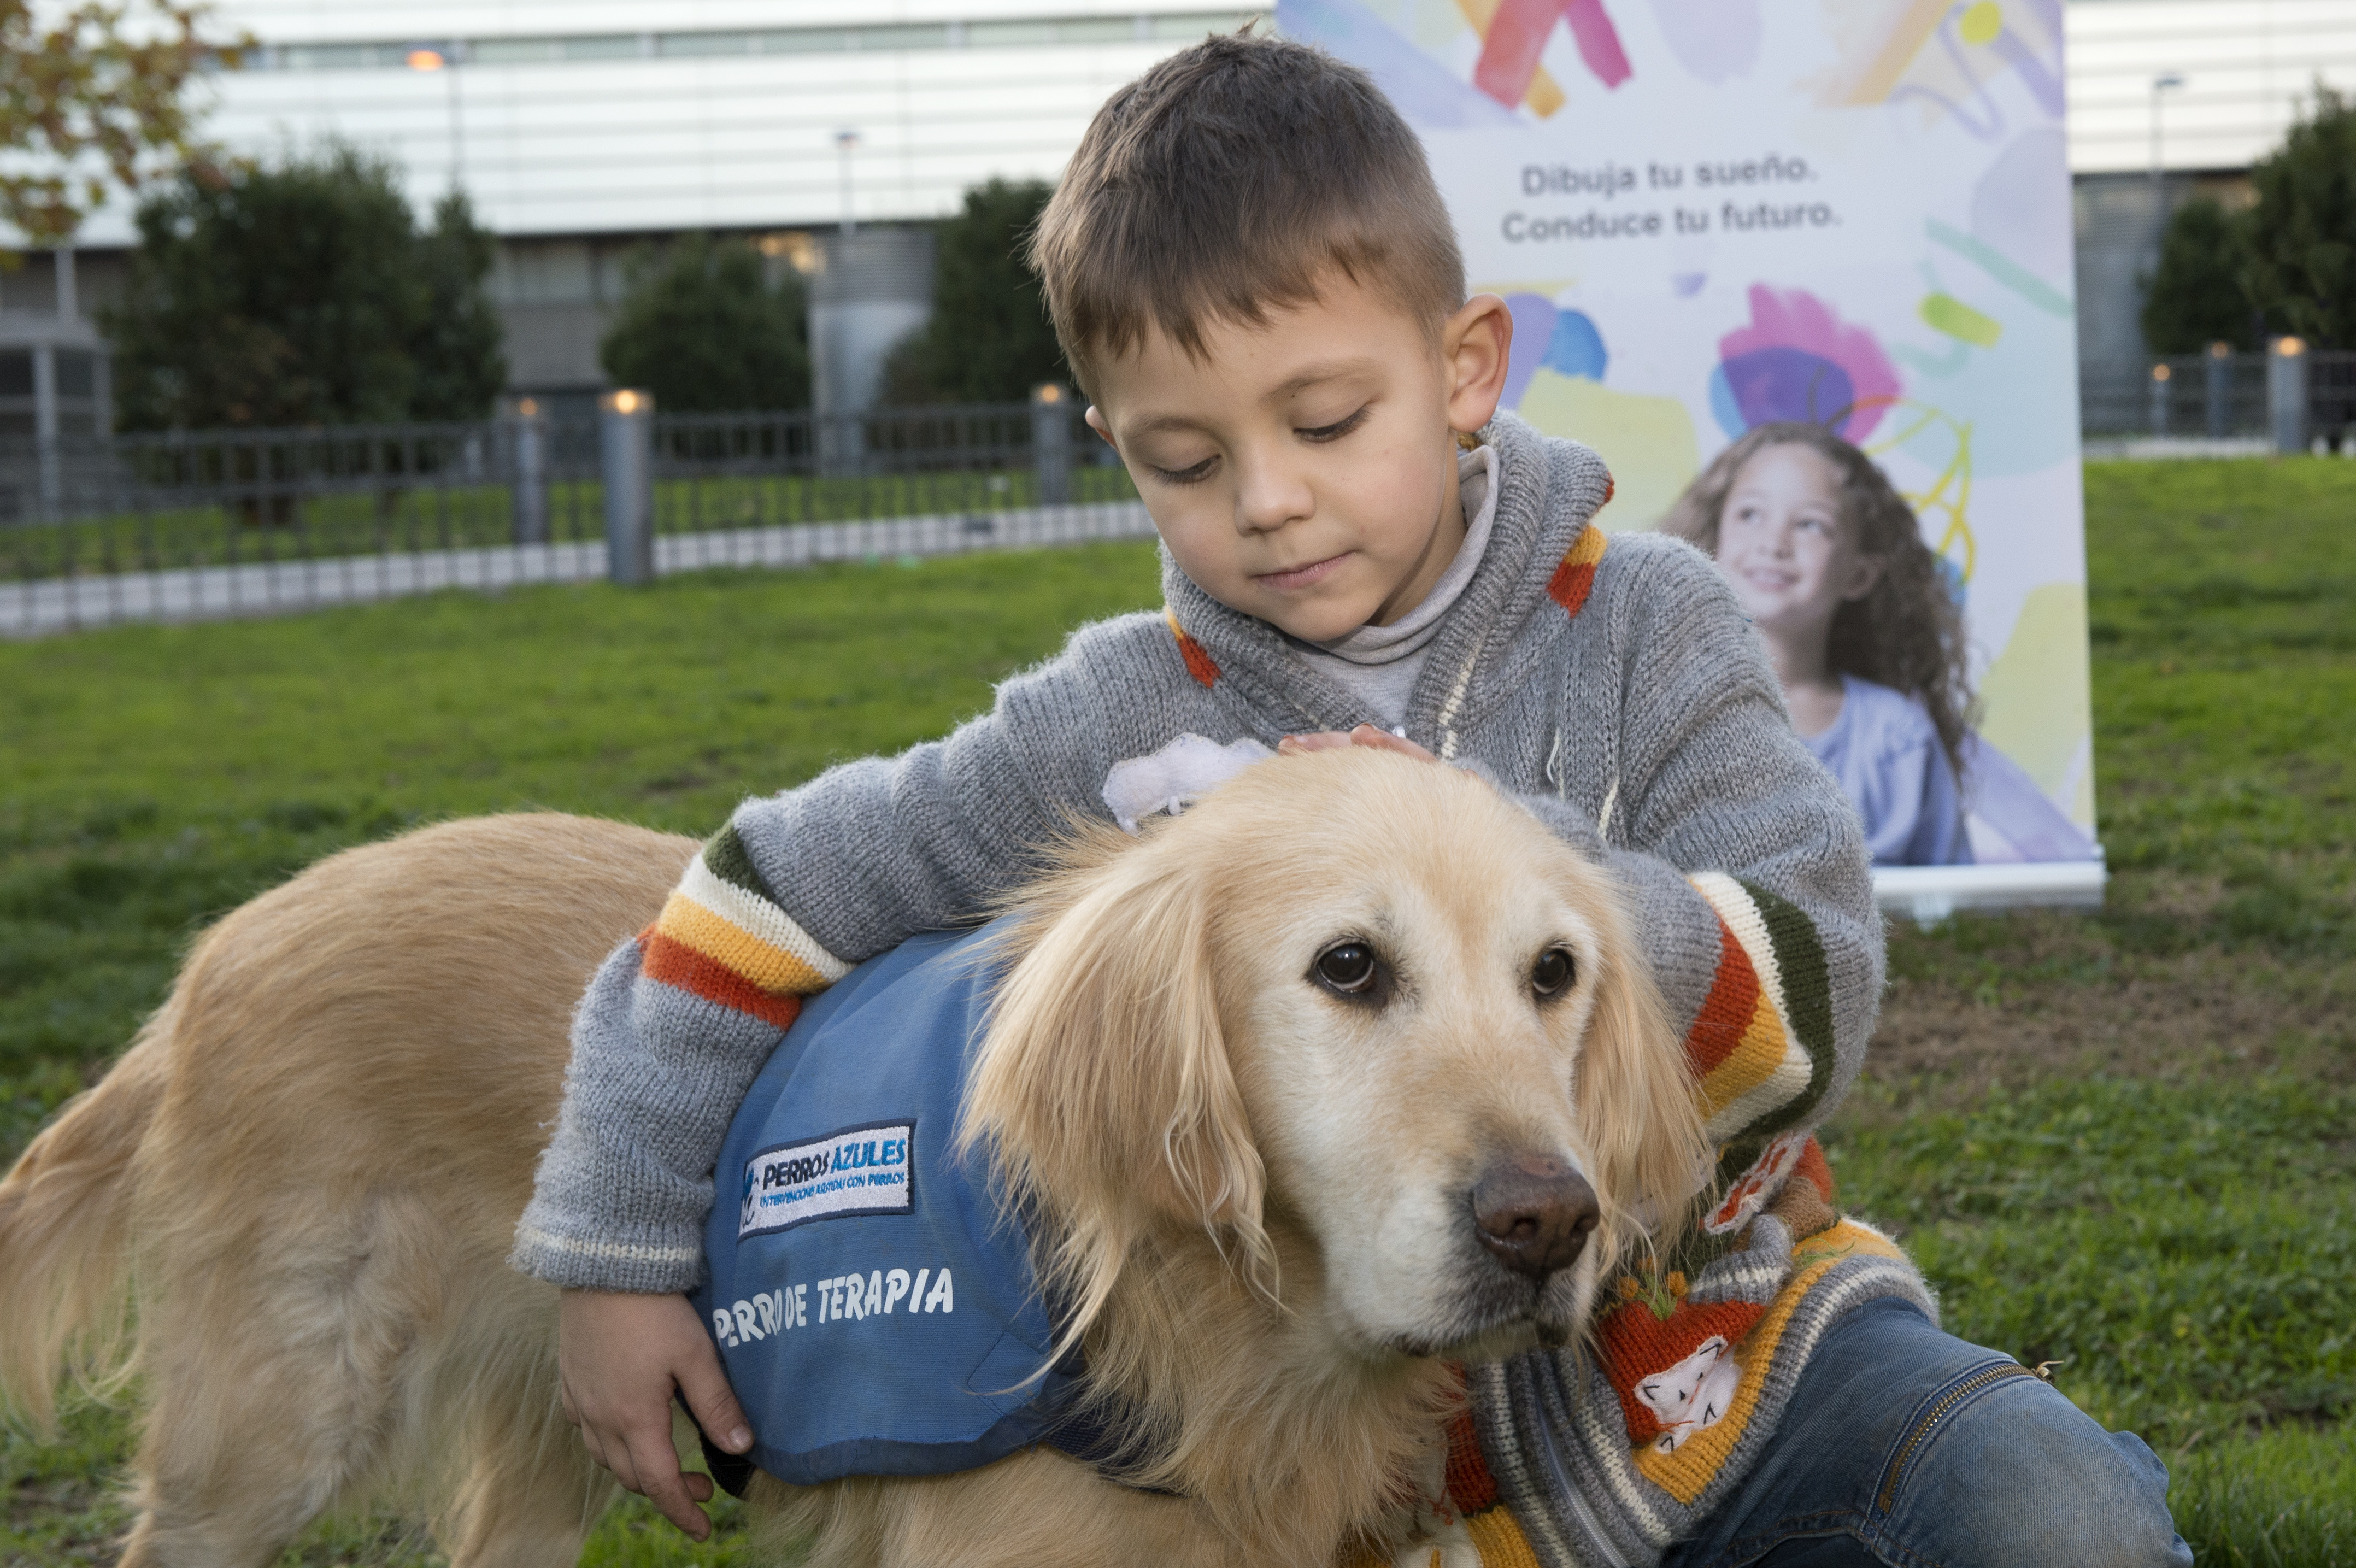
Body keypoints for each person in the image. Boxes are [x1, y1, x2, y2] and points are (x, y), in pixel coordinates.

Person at [510, 32, 2186, 1565]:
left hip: (1724, 1341)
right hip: (1334, 1461)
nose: (1267, 499)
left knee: (2058, 1517)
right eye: (1183, 459)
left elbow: (1815, 978)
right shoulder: (1110, 716)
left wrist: (1518, 880)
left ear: (1463, 368)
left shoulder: (1653, 620)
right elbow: (756, 892)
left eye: (1325, 419)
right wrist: (611, 1246)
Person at [1663, 424, 1976, 866]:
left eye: (1810, 525)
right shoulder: (1658, 720)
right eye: (1750, 514)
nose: (1773, 544)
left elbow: (1957, 897)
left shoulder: (1897, 739)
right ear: (1712, 544)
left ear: (1858, 576)